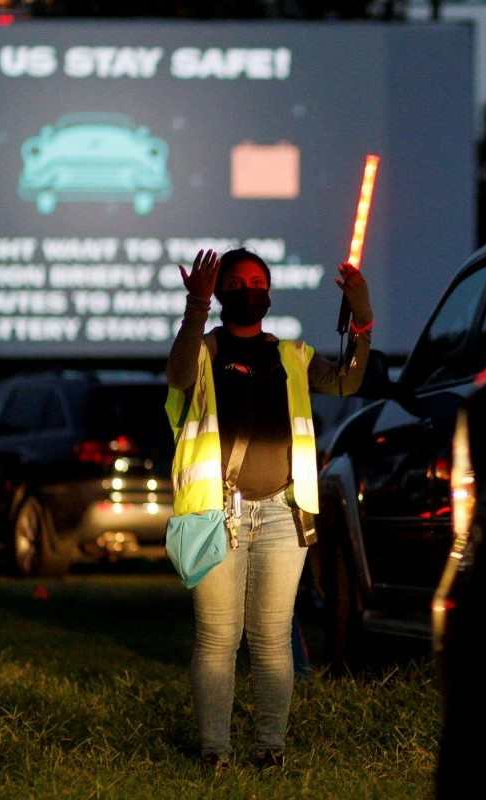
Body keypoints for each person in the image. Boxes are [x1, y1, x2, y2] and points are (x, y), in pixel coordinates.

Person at [165, 247, 373, 770]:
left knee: (273, 637)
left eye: (258, 282)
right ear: (219, 293)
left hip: (284, 511)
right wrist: (196, 309)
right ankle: (216, 751)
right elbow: (178, 377)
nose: (248, 290)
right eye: (235, 283)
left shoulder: (292, 358)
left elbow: (348, 380)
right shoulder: (205, 353)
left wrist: (362, 318)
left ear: (270, 293)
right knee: (218, 637)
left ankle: (269, 749)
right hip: (217, 510)